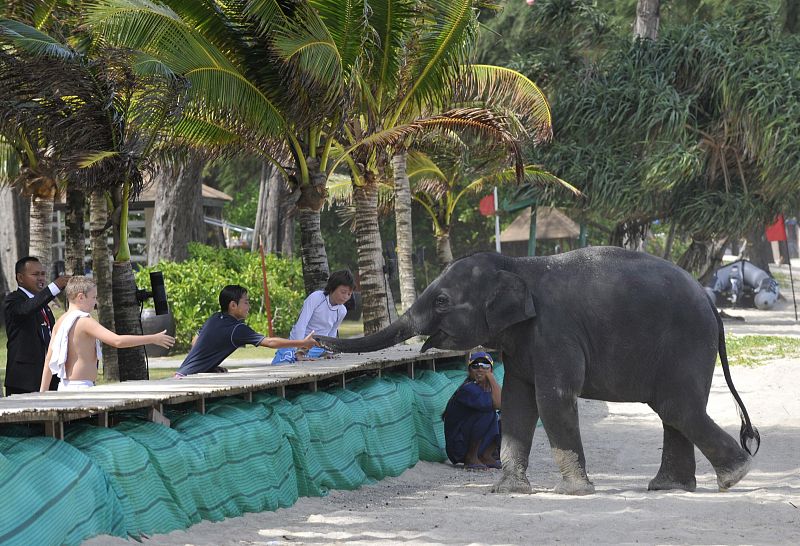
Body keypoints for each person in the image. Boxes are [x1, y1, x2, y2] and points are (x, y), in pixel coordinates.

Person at [39, 276, 175, 391]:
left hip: (64, 386)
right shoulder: (84, 321)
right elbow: (117, 341)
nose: (95, 302)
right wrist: (152, 338)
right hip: (80, 388)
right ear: (81, 297)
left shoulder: (60, 321)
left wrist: (43, 393)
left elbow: (48, 360)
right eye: (93, 297)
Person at [175, 284, 318, 376]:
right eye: (246, 302)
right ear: (233, 305)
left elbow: (196, 341)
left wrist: (208, 366)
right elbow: (270, 342)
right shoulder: (237, 329)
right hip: (190, 380)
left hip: (181, 375)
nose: (248, 306)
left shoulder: (215, 317)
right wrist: (302, 342)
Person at [3, 256, 70, 396]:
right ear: (20, 278)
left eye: (43, 274)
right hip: (23, 381)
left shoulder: (44, 305)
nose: (41, 278)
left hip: (48, 380)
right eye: (35, 274)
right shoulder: (13, 300)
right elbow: (27, 309)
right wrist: (54, 287)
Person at [272, 270, 355, 364]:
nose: (345, 297)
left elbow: (332, 331)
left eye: (349, 294)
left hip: (317, 349)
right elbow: (301, 325)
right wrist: (298, 352)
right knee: (279, 366)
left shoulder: (342, 311)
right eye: (343, 292)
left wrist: (329, 352)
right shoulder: (316, 298)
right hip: (296, 343)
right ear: (333, 287)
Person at [443, 351, 502, 470]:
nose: (480, 369)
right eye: (475, 366)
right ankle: (471, 458)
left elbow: (502, 406)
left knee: (506, 416)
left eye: (485, 366)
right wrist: (491, 377)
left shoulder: (485, 389)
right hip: (458, 448)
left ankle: (486, 455)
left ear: (491, 369)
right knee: (487, 412)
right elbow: (498, 404)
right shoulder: (469, 389)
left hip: (468, 440)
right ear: (469, 371)